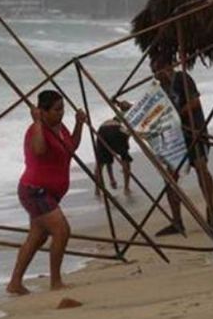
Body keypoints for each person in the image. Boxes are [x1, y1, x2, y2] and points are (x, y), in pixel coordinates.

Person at [7, 90, 87, 295]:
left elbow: (71, 147)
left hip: (49, 193)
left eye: (62, 109)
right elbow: (39, 150)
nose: (60, 114)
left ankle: (15, 283)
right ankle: (56, 281)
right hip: (35, 191)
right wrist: (37, 122)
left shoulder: (61, 129)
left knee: (37, 237)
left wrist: (79, 124)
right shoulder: (37, 130)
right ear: (42, 112)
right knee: (61, 230)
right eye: (56, 110)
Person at [151, 58, 213, 236]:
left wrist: (178, 115)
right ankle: (177, 221)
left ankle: (211, 210)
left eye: (157, 70)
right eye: (153, 71)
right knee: (170, 178)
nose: (156, 75)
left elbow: (195, 102)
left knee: (201, 168)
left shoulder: (182, 79)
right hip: (176, 137)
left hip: (194, 131)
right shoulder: (159, 89)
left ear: (167, 67)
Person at [95, 100, 133, 194]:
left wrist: (112, 179)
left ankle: (98, 189)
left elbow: (109, 157)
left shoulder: (118, 115)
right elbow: (127, 137)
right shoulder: (132, 115)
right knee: (126, 159)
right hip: (117, 129)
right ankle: (126, 188)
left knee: (101, 161)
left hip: (102, 129)